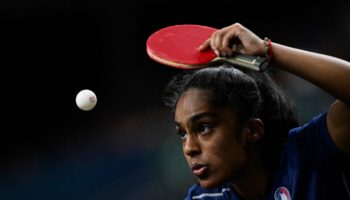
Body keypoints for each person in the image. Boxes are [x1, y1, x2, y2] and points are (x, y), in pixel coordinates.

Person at [162, 23, 350, 200]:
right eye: (183, 133)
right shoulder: (203, 197)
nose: (189, 148)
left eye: (203, 128)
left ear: (252, 130)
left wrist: (268, 51)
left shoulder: (308, 153)